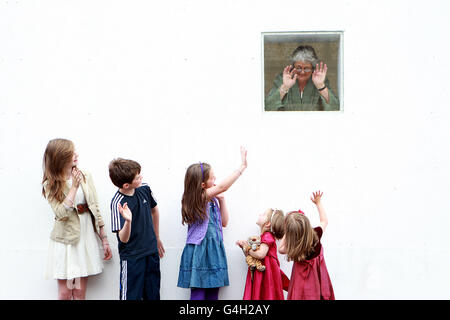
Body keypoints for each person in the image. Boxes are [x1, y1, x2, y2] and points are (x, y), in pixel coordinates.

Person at [42, 138, 112, 300]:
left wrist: (104, 240)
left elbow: (95, 208)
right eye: (71, 153)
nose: (76, 155)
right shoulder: (51, 184)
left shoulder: (85, 175)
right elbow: (61, 213)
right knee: (65, 293)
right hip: (65, 240)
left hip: (84, 239)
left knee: (79, 293)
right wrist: (74, 187)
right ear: (60, 157)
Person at [177, 147, 247, 300]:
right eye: (212, 179)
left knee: (213, 293)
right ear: (202, 185)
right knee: (199, 292)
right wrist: (241, 168)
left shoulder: (213, 199)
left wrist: (222, 200)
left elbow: (224, 222)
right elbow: (223, 187)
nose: (215, 182)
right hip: (200, 250)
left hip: (214, 249)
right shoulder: (197, 198)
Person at [109, 158, 165, 300]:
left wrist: (157, 237)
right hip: (132, 258)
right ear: (126, 185)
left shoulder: (144, 188)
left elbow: (154, 211)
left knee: (153, 295)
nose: (141, 177)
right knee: (130, 296)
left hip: (151, 253)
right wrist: (128, 221)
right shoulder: (118, 202)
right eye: (137, 177)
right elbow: (123, 238)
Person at [278, 191, 335, 300]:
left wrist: (287, 233)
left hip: (300, 281)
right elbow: (324, 221)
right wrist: (318, 203)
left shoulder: (293, 245)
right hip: (317, 278)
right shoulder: (316, 234)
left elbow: (280, 249)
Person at [265, 45, 340, 111]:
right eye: (298, 68)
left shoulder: (320, 79)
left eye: (306, 68)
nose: (302, 72)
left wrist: (320, 86)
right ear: (293, 67)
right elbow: (268, 107)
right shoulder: (282, 78)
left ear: (312, 69)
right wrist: (285, 87)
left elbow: (335, 108)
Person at [236, 208, 290, 300]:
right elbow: (253, 256)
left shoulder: (268, 236)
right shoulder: (262, 238)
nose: (260, 214)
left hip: (266, 275)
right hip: (262, 274)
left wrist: (247, 248)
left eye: (264, 214)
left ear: (268, 224)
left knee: (265, 294)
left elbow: (260, 254)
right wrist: (244, 248)